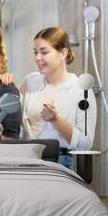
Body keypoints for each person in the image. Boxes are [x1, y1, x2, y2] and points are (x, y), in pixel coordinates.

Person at [19, 27, 96, 170]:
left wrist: (56, 120)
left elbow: (85, 144)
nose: (37, 58)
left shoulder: (81, 89)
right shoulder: (29, 82)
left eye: (44, 52)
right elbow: (15, 121)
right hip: (27, 159)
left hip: (61, 162)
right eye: (35, 52)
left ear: (63, 53)